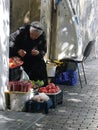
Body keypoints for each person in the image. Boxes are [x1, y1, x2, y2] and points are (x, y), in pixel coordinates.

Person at [9, 21, 48, 86]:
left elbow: (43, 50)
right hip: (19, 57)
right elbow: (10, 41)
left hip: (33, 58)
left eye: (36, 36)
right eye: (32, 34)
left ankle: (40, 87)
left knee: (41, 66)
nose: (33, 37)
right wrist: (18, 50)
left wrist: (38, 53)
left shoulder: (42, 36)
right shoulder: (21, 31)